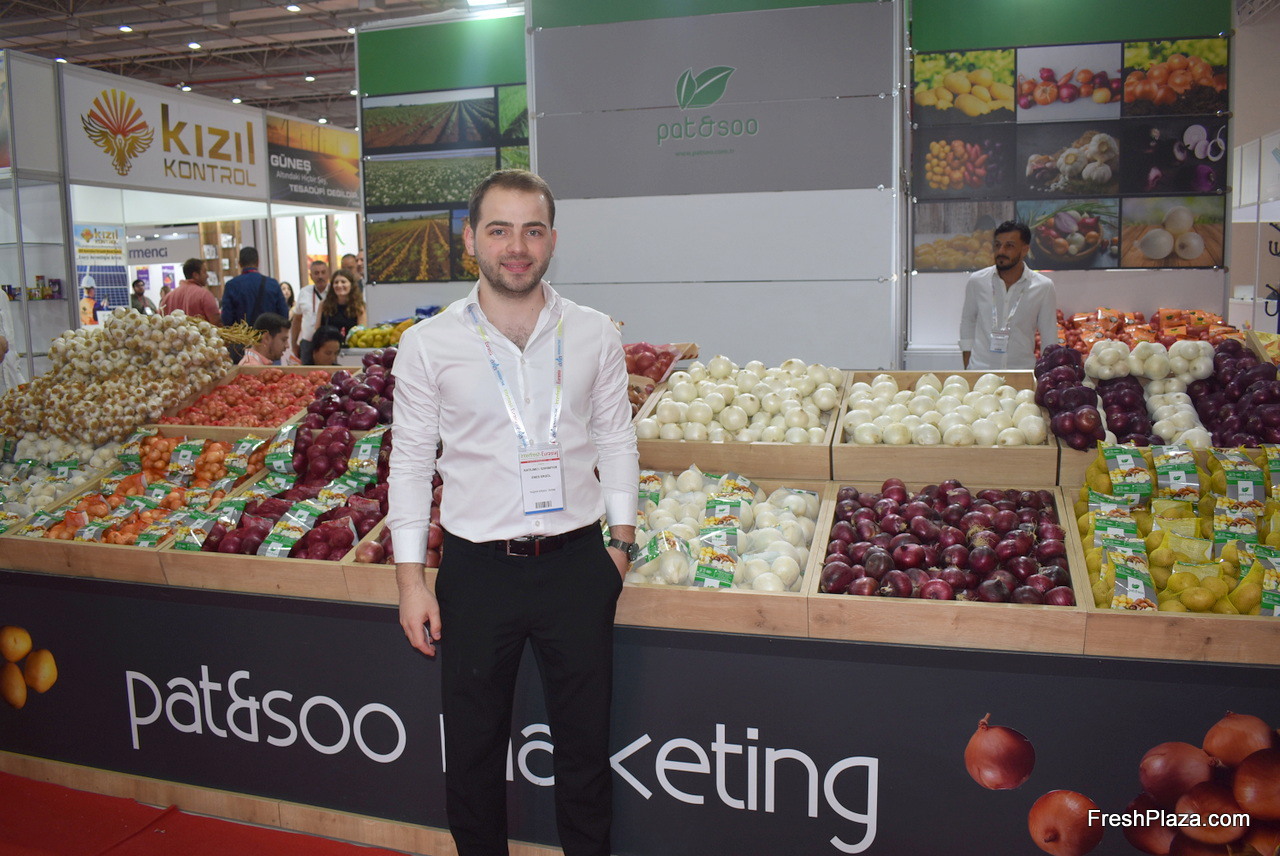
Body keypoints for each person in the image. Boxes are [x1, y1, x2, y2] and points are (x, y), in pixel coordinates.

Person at [389, 169, 638, 856]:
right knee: (472, 756)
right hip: (477, 572)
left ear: (552, 239)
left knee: (585, 753)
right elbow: (409, 464)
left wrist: (620, 546)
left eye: (532, 230)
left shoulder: (593, 333)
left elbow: (617, 440)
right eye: (499, 230)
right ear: (471, 239)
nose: (517, 247)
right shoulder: (428, 344)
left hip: (578, 566)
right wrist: (411, 582)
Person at [958, 220, 1060, 371]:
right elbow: (968, 321)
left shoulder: (1043, 287)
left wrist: (1048, 376)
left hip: (1022, 372)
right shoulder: (977, 281)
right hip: (981, 371)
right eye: (997, 245)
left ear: (1025, 250)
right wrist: (968, 367)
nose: (1001, 251)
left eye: (1009, 246)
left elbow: (1049, 336)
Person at [221, 246, 288, 329]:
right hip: (269, 335)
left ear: (240, 264)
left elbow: (227, 318)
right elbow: (283, 314)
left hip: (242, 335)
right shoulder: (272, 284)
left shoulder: (231, 285)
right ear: (258, 262)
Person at [292, 258, 331, 364]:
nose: (320, 276)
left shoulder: (334, 292)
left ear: (328, 274)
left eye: (323, 272)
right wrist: (294, 343)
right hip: (308, 343)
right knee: (306, 371)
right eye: (316, 273)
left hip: (329, 343)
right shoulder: (304, 292)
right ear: (311, 276)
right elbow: (297, 320)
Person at [160, 258, 221, 325]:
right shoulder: (204, 295)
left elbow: (160, 323)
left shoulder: (168, 297)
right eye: (204, 272)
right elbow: (216, 323)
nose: (207, 276)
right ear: (195, 275)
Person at [318, 270, 367, 339]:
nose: (339, 285)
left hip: (351, 344)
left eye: (343, 282)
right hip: (329, 344)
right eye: (336, 282)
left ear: (351, 285)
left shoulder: (359, 305)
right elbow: (317, 330)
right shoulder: (323, 304)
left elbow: (362, 331)